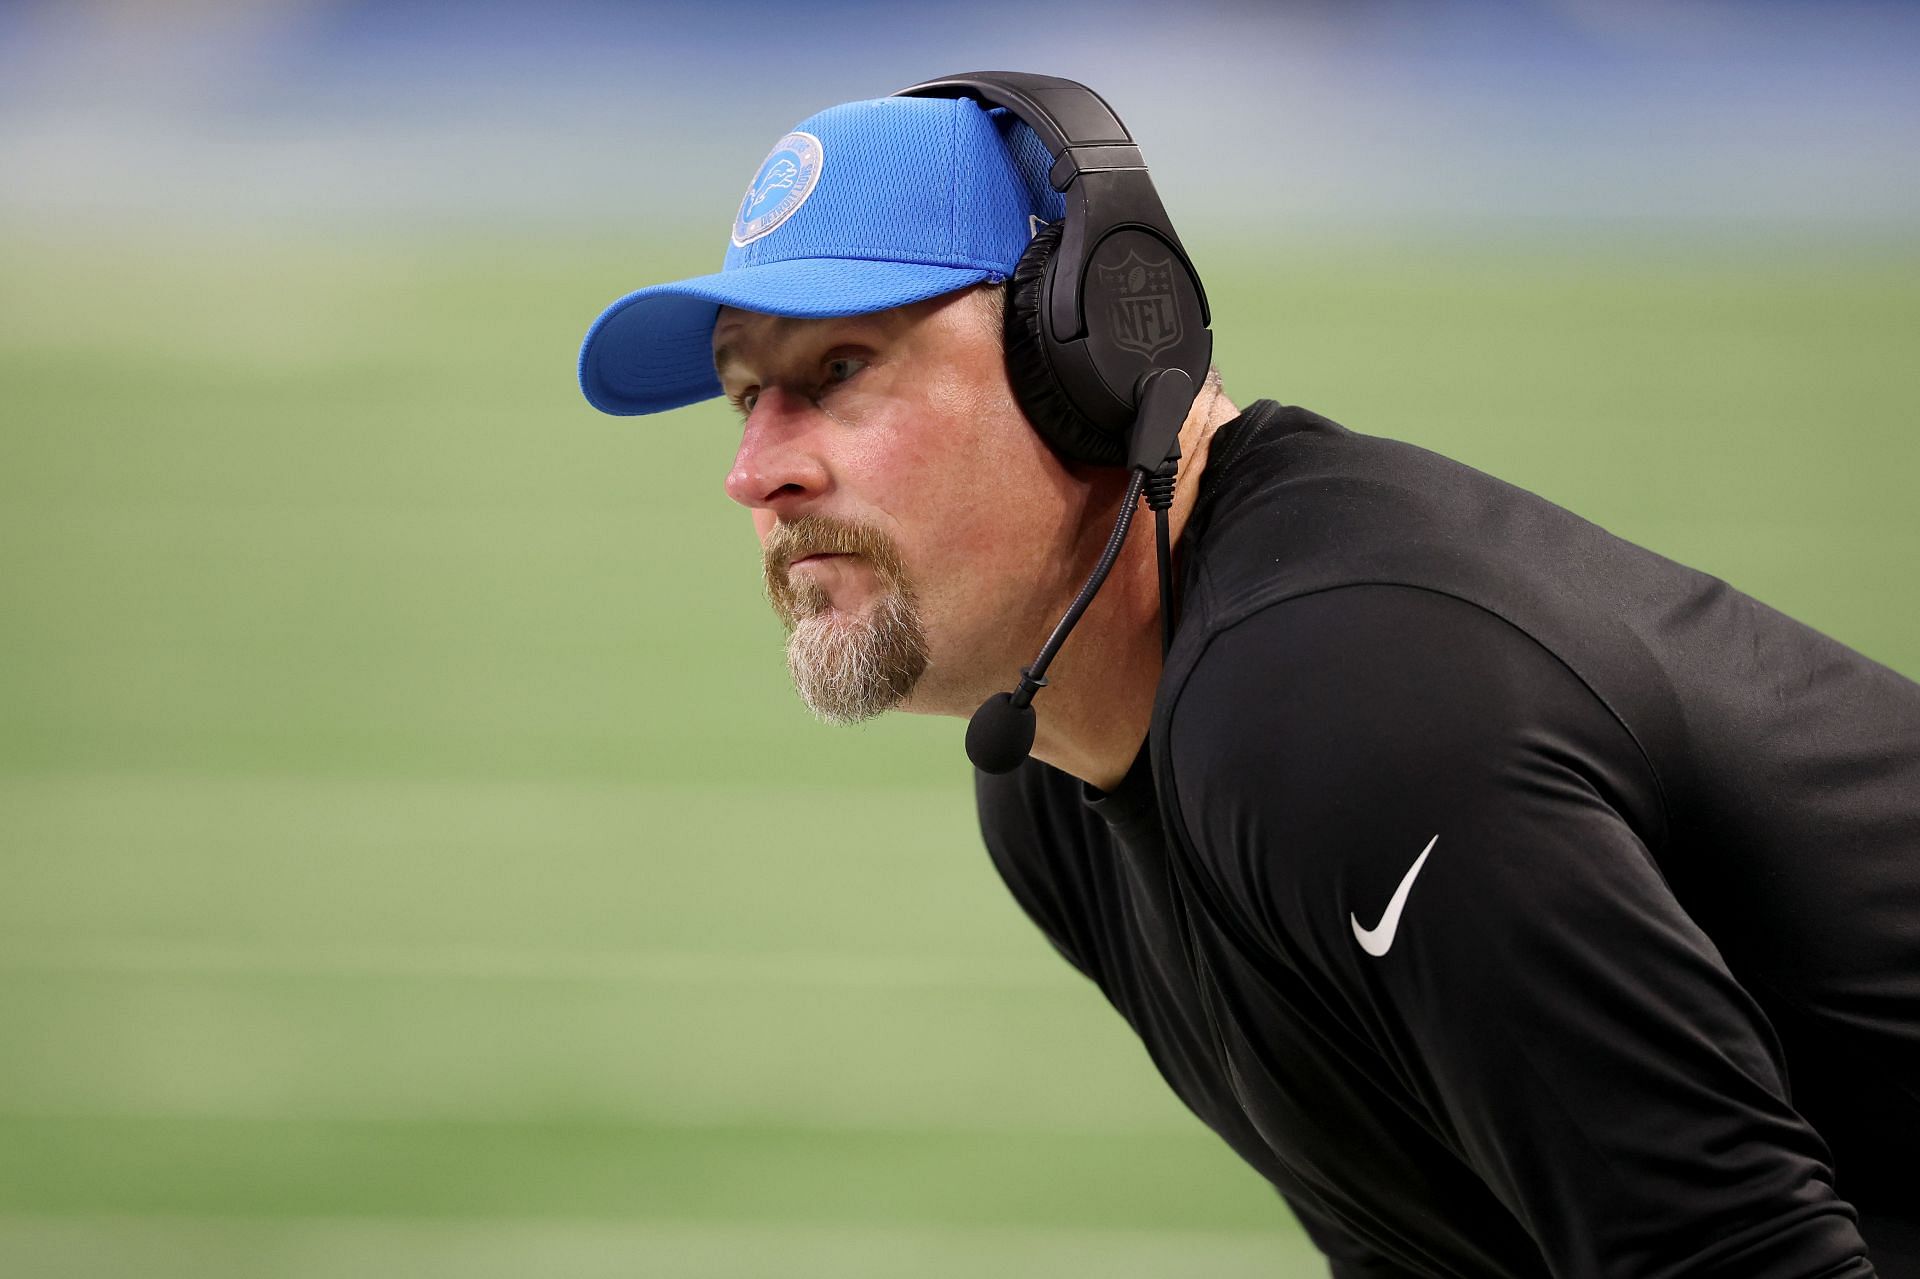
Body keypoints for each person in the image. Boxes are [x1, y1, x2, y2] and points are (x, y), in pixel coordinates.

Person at [577, 78, 1920, 1278]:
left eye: (838, 370)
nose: (757, 473)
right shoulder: (1059, 786)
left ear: (1086, 356)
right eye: (743, 396)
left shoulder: (1347, 707)